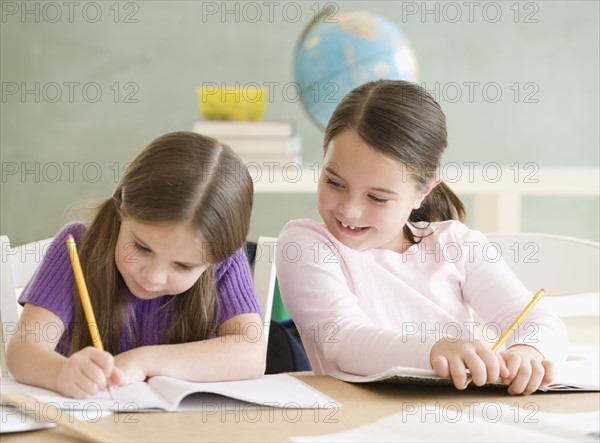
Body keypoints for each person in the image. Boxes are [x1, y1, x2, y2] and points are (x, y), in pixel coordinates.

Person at [275, 80, 568, 396]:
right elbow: (342, 341)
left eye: (377, 197)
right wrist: (434, 350)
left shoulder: (456, 244)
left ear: (423, 191)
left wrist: (529, 352)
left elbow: (538, 318)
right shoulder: (306, 244)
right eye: (335, 182)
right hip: (356, 417)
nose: (350, 210)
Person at [8, 131, 266, 399]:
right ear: (121, 206)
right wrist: (61, 373)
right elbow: (23, 351)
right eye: (142, 248)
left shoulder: (225, 260)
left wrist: (143, 361)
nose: (153, 277)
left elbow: (251, 353)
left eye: (183, 266)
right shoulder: (77, 246)